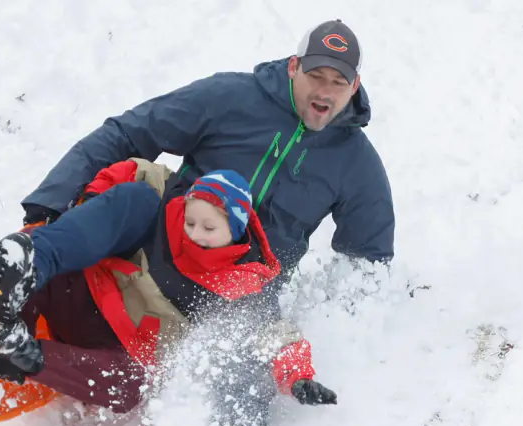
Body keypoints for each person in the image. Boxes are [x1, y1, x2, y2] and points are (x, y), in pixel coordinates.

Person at [0, 160, 337, 426]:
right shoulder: (161, 207)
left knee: (131, 387)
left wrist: (298, 377)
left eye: (209, 228)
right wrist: (93, 197)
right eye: (191, 221)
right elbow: (131, 172)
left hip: (124, 347)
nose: (194, 233)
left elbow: (276, 337)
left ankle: (26, 357)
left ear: (236, 231)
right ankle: (6, 320)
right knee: (58, 268)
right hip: (93, 294)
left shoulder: (244, 284)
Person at [20, 19, 394, 279]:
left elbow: (366, 266)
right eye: (315, 76)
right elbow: (130, 132)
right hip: (166, 250)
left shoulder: (357, 163)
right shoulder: (231, 97)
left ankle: (44, 359)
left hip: (239, 300)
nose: (325, 92)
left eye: (338, 82)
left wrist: (324, 325)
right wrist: (51, 201)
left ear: (356, 84)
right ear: (294, 67)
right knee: (133, 197)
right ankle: (31, 267)